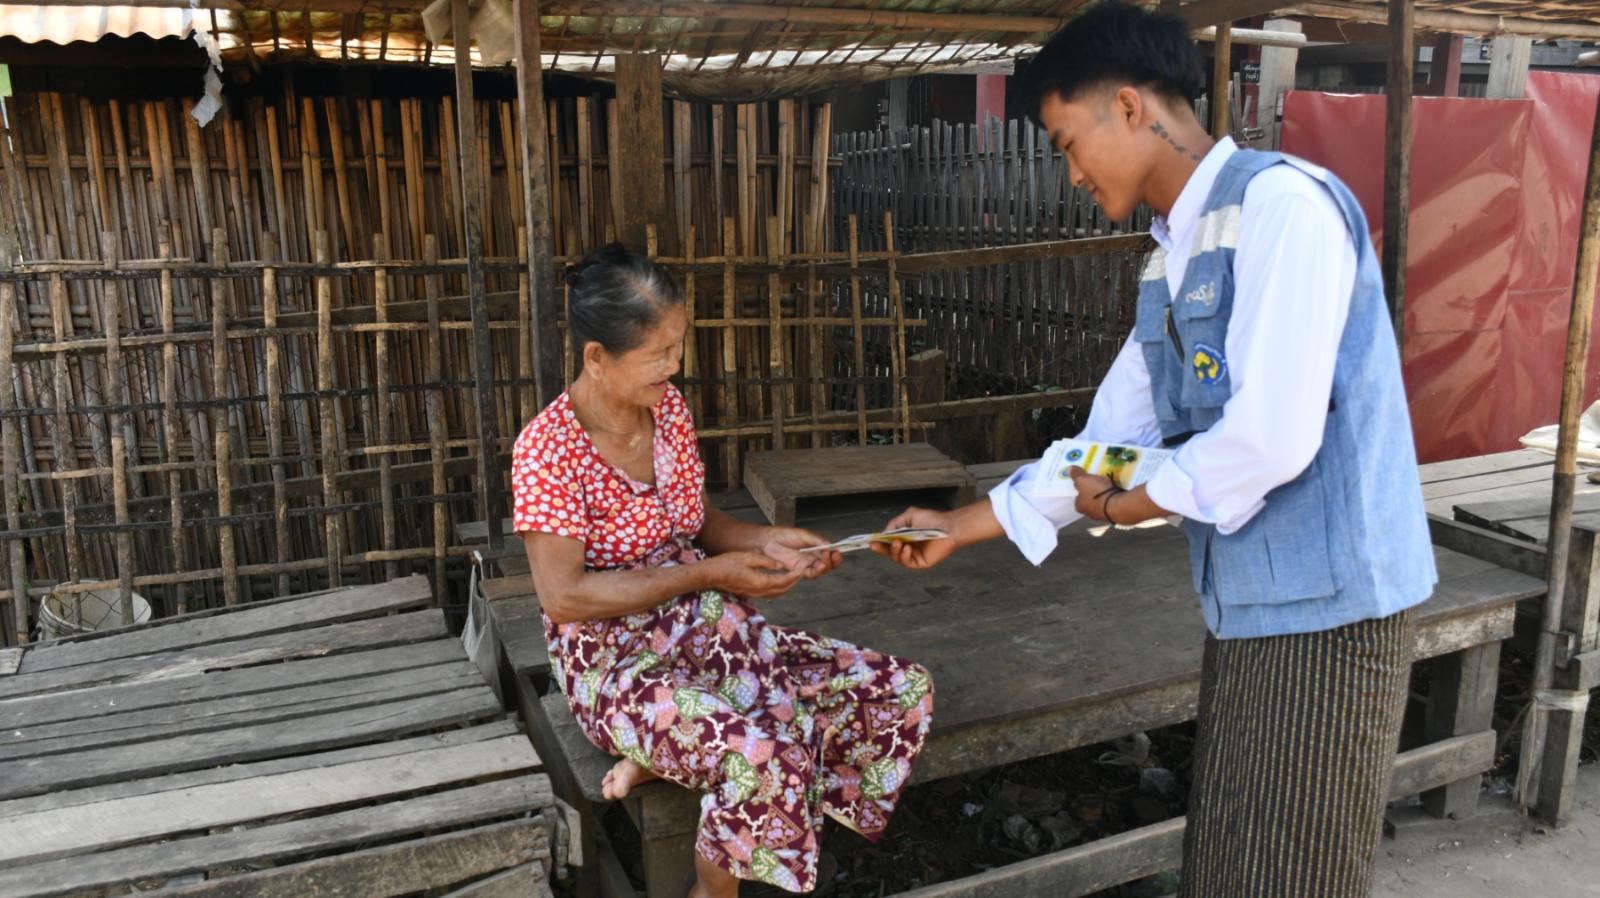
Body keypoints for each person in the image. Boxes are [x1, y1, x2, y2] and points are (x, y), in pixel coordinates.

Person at [874, 4, 1436, 897]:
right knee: (1234, 858)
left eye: (1068, 143)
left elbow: (1271, 438)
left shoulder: (1282, 207)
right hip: (1253, 607)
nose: (1070, 172)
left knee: (1298, 869)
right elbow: (1107, 445)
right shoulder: (1170, 258)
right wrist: (962, 524)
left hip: (1333, 612)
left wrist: (1133, 501)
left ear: (1131, 107)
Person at [512, 244, 934, 898]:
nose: (675, 366)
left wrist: (768, 540)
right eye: (659, 353)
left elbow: (699, 523)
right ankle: (713, 888)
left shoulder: (669, 412)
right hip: (617, 666)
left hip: (709, 635)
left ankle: (682, 764)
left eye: (678, 345)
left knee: (898, 689)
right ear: (596, 357)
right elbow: (564, 598)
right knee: (761, 754)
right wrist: (711, 576)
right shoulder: (547, 452)